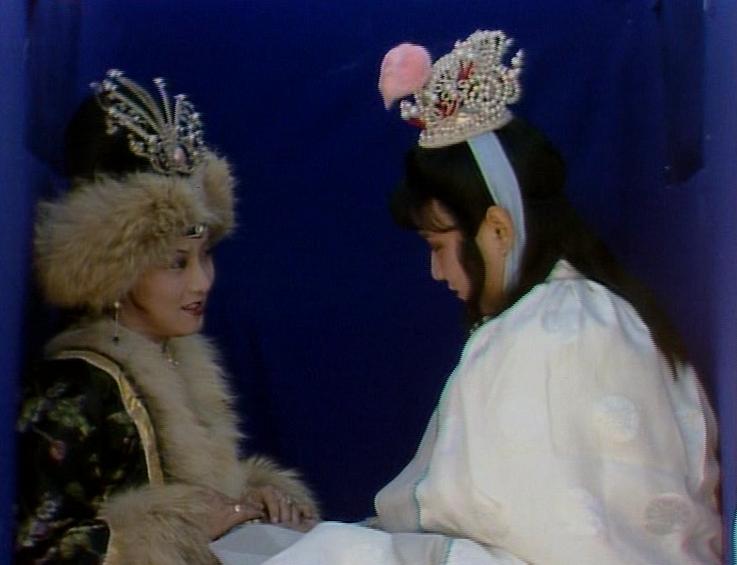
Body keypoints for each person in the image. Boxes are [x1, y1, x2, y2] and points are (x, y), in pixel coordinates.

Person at [211, 30, 722, 564]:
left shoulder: (554, 334)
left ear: (498, 230)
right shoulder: (578, 313)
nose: (436, 272)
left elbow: (552, 537)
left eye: (439, 246)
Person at [15, 70, 318, 564]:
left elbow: (211, 501)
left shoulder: (178, 357)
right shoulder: (77, 389)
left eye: (205, 255)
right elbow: (39, 549)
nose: (202, 282)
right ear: (119, 266)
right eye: (176, 263)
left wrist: (254, 501)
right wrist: (170, 529)